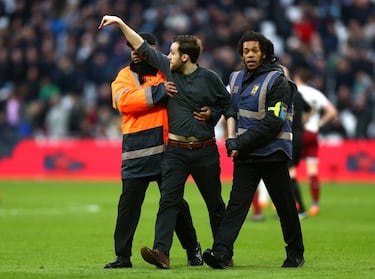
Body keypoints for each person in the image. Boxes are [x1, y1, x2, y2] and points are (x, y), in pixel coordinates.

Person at [98, 15, 237, 269]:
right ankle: (132, 255)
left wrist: (213, 115)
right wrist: (158, 93)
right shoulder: (127, 77)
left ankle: (206, 251)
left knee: (190, 205)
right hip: (143, 153)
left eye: (143, 51)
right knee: (137, 206)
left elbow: (221, 103)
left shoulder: (168, 73)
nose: (136, 54)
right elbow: (123, 101)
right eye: (133, 50)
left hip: (173, 151)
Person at [202, 30, 305, 269]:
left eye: (254, 51)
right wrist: (212, 114)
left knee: (285, 206)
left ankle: (295, 253)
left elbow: (274, 122)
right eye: (246, 51)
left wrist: (238, 142)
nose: (249, 55)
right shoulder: (235, 78)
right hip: (247, 155)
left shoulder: (279, 82)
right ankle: (221, 253)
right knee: (236, 207)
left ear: (265, 54)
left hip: (272, 153)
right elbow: (229, 108)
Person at [293, 67, 337, 216]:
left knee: (291, 171)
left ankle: (296, 204)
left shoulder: (294, 90)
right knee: (312, 171)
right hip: (312, 133)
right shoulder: (316, 93)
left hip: (296, 133)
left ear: (297, 77)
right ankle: (315, 204)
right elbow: (332, 112)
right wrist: (320, 124)